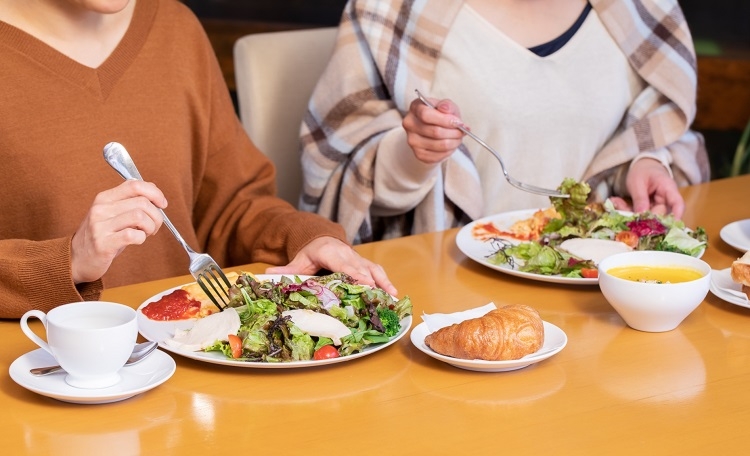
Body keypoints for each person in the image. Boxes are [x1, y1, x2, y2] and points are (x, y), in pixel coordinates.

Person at [0, 0, 396, 319]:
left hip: (185, 363)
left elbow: (231, 205)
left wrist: (307, 239)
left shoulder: (176, 28)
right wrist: (67, 262)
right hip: (42, 380)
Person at [299, 0, 711, 244]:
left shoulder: (643, 11)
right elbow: (338, 173)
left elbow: (662, 126)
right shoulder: (391, 11)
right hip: (451, 288)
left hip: (599, 285)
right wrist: (415, 155)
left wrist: (646, 163)